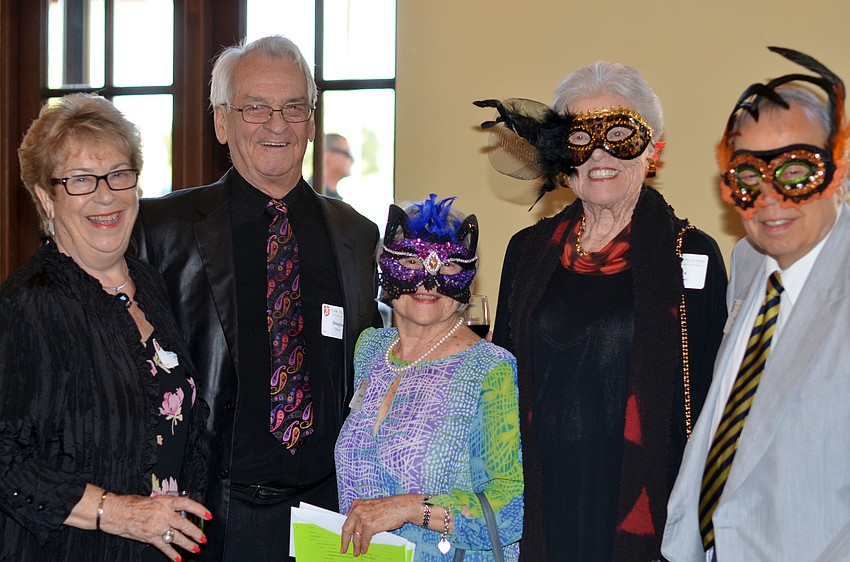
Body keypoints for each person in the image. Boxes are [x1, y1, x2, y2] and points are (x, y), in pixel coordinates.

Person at [132, 35, 382, 560]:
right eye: (255, 108)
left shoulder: (357, 236)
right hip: (208, 515)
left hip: (329, 515)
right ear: (222, 122)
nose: (277, 124)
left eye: (294, 107)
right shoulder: (161, 231)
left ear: (311, 122)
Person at [479, 61, 728, 562]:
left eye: (618, 134)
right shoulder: (526, 252)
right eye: (578, 138)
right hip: (542, 498)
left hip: (638, 500)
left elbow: (709, 403)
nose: (598, 154)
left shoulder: (691, 255)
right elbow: (501, 385)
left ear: (652, 149)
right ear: (560, 154)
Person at [0, 93, 209, 561]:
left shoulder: (149, 284)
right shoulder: (29, 304)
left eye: (118, 173)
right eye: (80, 179)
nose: (105, 194)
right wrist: (115, 512)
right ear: (45, 198)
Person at [662, 47, 850, 561]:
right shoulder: (748, 261)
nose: (769, 197)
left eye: (795, 170)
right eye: (748, 175)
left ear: (837, 170)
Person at [336, 194, 523, 561]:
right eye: (410, 261)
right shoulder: (371, 350)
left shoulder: (490, 368)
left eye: (448, 266)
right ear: (384, 267)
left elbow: (511, 509)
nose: (429, 281)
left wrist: (409, 508)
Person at [322, 133, 354, 199]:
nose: (352, 160)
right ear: (328, 155)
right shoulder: (309, 195)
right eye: (347, 154)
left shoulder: (332, 198)